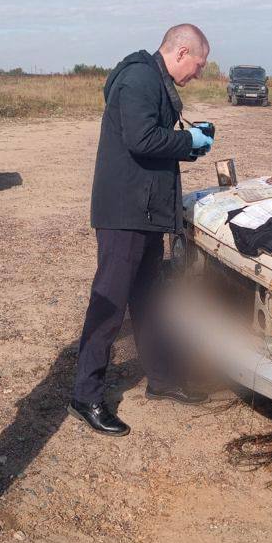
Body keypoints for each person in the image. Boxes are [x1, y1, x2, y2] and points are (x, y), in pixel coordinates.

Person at [69, 24, 215, 436]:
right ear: (182, 51)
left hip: (145, 211)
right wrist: (188, 142)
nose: (199, 74)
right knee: (109, 305)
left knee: (149, 299)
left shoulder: (155, 80)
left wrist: (189, 142)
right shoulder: (138, 78)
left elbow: (151, 142)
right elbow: (141, 139)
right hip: (124, 214)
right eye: (199, 65)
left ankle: (162, 379)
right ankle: (85, 395)